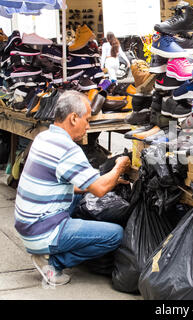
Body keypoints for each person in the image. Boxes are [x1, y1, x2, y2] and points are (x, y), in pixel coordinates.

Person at [14, 90, 131, 286]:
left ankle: (54, 247)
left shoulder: (43, 137)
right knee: (116, 234)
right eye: (86, 119)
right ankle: (53, 263)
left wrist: (105, 180)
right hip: (40, 231)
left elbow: (73, 185)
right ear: (74, 118)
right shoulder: (68, 149)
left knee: (79, 196)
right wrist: (119, 167)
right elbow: (100, 190)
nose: (88, 125)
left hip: (27, 225)